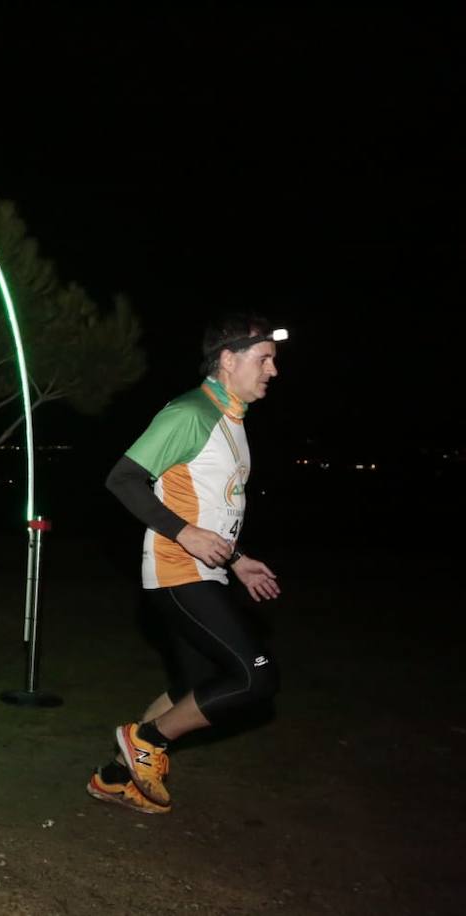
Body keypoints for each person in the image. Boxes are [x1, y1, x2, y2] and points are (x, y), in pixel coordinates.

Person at [86, 314, 285, 815]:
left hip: (207, 572)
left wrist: (237, 560)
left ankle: (114, 778)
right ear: (227, 360)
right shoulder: (191, 412)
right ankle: (145, 740)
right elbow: (123, 479)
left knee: (192, 689)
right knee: (255, 676)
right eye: (264, 359)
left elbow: (209, 510)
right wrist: (185, 533)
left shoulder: (232, 422)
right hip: (177, 572)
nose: (273, 370)